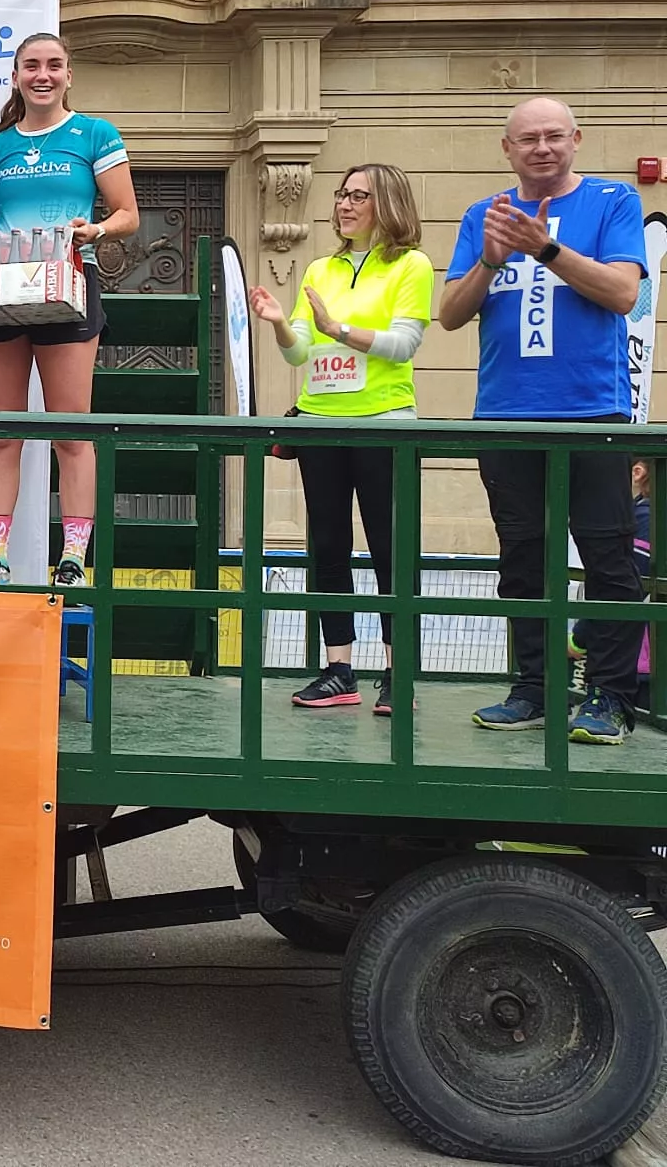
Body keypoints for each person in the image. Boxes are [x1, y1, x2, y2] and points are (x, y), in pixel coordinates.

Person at [439, 97, 648, 745]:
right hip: (506, 415)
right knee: (523, 561)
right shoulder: (484, 215)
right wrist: (494, 259)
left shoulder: (613, 203)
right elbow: (449, 313)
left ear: (577, 140)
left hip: (593, 412)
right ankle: (533, 688)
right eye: (528, 139)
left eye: (555, 136)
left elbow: (623, 293)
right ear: (507, 149)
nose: (542, 148)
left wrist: (547, 248)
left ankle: (608, 697)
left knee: (608, 559)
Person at [248, 163, 432, 713]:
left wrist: (338, 330)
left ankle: (399, 674)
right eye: (342, 194)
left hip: (383, 424)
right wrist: (281, 322)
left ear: (388, 204)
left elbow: (403, 345)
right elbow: (298, 352)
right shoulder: (321, 269)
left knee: (389, 552)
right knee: (327, 545)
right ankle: (339, 668)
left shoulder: (412, 265)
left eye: (359, 196)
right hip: (321, 421)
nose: (345, 204)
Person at [0, 32, 139, 589]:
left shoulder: (94, 134)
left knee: (71, 429)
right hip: (5, 288)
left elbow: (127, 215)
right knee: (2, 432)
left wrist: (95, 228)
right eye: (31, 66)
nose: (43, 75)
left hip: (69, 282)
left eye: (54, 66)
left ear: (69, 75)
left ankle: (72, 558)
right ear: (16, 76)